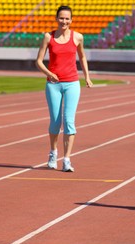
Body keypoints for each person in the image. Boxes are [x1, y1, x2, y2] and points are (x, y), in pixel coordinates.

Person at [35, 5, 93, 172]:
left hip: (72, 83)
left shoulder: (78, 37)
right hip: (53, 85)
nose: (64, 21)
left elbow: (82, 56)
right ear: (56, 18)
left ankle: (67, 159)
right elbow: (38, 61)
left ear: (71, 20)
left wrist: (87, 77)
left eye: (67, 18)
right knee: (55, 122)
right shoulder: (48, 37)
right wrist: (49, 73)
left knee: (69, 122)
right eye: (61, 18)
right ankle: (53, 153)